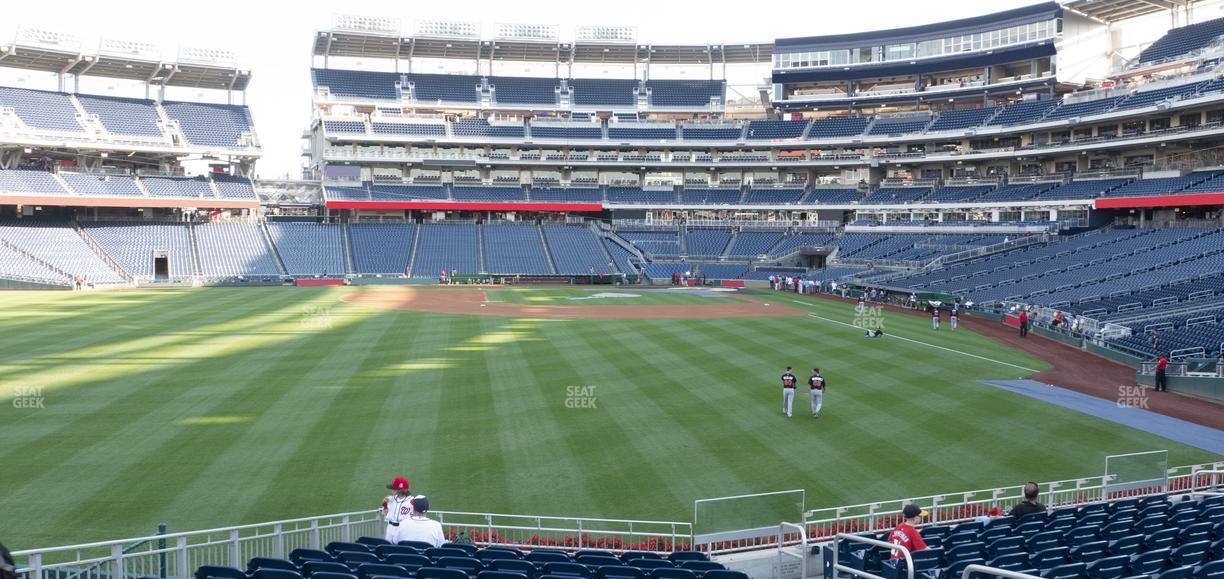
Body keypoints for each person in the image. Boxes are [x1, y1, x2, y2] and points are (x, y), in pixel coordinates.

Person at [381, 476, 413, 542]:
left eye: (393, 489)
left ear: (400, 490)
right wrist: (385, 505)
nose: (391, 490)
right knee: (388, 546)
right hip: (390, 527)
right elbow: (387, 513)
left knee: (401, 546)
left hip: (403, 528)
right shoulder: (391, 499)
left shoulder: (411, 501)